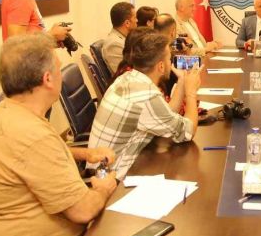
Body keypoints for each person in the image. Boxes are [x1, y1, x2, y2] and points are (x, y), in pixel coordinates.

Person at [0, 34, 117, 236]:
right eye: (58, 69)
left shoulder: (9, 112)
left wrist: (85, 153)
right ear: (48, 79)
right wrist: (103, 189)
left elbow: (31, 158)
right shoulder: (31, 134)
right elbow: (83, 211)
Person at [87, 31, 202, 178]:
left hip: (108, 166)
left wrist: (182, 81)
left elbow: (165, 114)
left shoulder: (128, 78)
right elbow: (187, 132)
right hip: (111, 177)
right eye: (169, 59)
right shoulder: (146, 96)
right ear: (161, 66)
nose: (171, 62)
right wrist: (191, 93)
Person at [102, 2, 138, 74]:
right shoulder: (114, 45)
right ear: (127, 23)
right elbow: (126, 75)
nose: (137, 20)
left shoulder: (124, 38)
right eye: (135, 17)